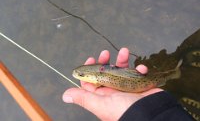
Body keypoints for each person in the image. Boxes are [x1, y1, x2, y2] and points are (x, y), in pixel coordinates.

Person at [63, 48, 194, 121]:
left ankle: (177, 73)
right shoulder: (98, 78)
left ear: (94, 76)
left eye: (81, 75)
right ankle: (179, 72)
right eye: (81, 75)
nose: (78, 76)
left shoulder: (99, 79)